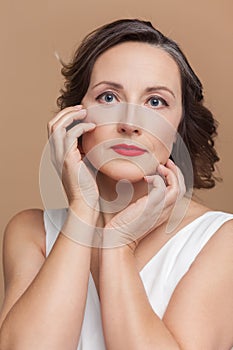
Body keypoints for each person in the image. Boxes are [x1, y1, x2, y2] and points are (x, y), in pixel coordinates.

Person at [0, 18, 232, 349]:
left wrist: (120, 244)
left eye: (155, 102)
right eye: (109, 97)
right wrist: (82, 211)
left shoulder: (221, 241)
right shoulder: (32, 232)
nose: (130, 124)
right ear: (76, 116)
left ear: (180, 127)